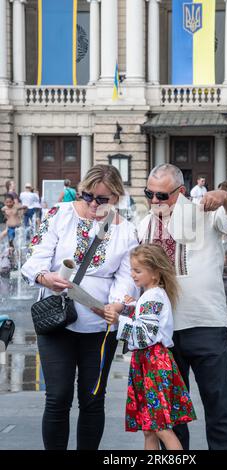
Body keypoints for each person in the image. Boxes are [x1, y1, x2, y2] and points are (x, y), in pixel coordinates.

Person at [21, 164, 139, 450]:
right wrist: (43, 277)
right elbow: (34, 259)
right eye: (88, 196)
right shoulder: (59, 215)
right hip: (57, 321)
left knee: (92, 399)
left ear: (117, 198)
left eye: (102, 200)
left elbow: (126, 278)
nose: (93, 205)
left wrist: (117, 304)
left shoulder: (127, 231)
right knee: (58, 397)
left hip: (100, 326)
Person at [138, 163, 227, 450]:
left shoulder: (203, 211)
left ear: (181, 191)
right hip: (163, 333)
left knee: (219, 407)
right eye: (149, 194)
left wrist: (224, 197)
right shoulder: (144, 224)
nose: (154, 201)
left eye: (162, 196)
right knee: (172, 415)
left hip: (205, 324)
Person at [104, 244, 196, 450]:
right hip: (149, 363)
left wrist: (120, 319)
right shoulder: (151, 295)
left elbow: (146, 335)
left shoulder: (152, 297)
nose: (132, 275)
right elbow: (147, 323)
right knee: (150, 428)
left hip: (153, 363)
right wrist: (132, 308)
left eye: (138, 271)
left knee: (160, 427)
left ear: (155, 273)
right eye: (132, 270)